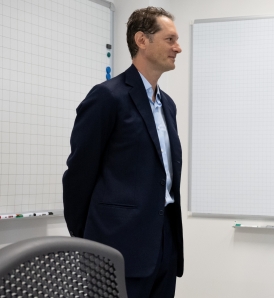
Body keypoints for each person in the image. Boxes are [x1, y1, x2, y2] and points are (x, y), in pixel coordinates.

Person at [62, 7, 183, 298]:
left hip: (165, 245)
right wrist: (89, 243)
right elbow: (78, 177)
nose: (178, 48)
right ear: (142, 40)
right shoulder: (107, 98)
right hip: (116, 248)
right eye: (170, 39)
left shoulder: (167, 105)